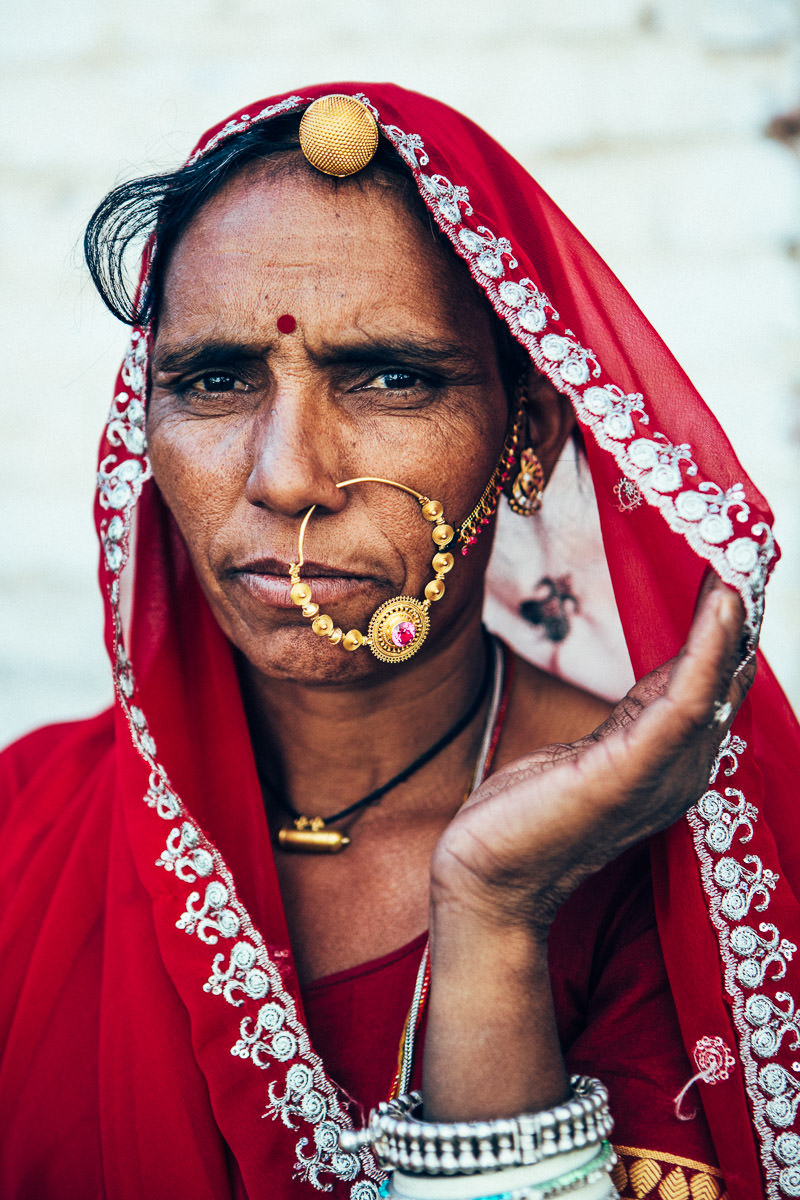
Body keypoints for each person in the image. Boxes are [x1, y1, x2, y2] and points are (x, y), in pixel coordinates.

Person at [0, 81, 797, 1200]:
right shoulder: (21, 826)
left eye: (388, 376)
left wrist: (496, 912)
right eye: (215, 379)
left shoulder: (673, 852)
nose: (284, 477)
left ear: (529, 434)